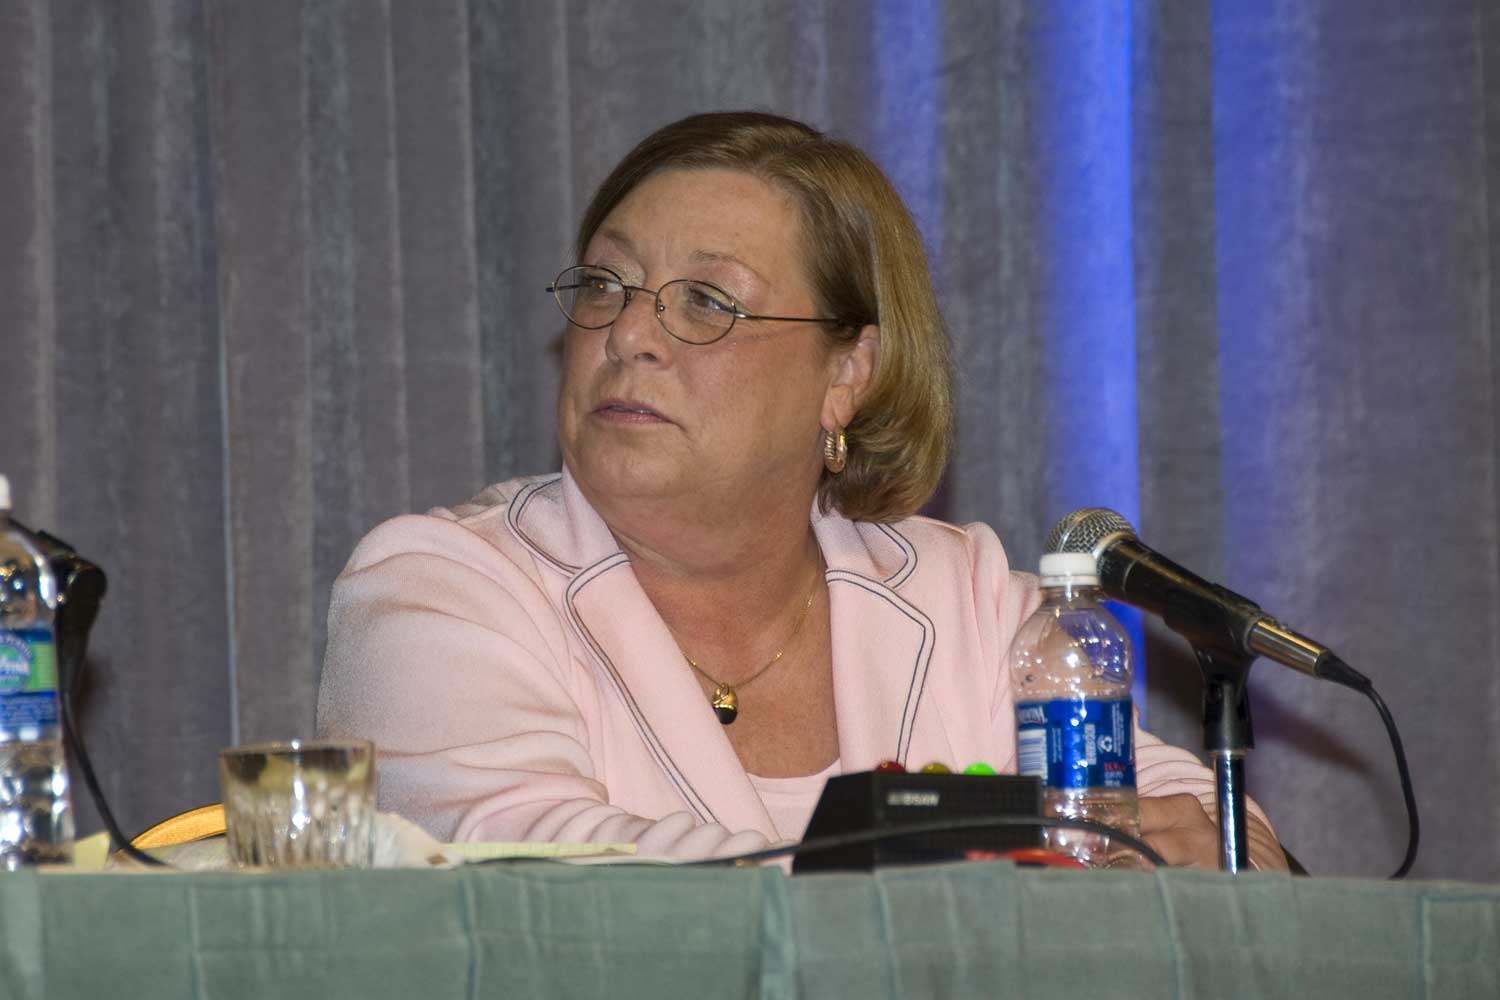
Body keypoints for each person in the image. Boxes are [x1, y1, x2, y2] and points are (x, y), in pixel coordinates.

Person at [316, 111, 1285, 869]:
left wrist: (1219, 853)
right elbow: (542, 873)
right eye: (605, 286)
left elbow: (1211, 828)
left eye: (707, 301)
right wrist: (991, 869)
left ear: (847, 375)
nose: (629, 335)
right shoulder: (438, 588)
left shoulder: (969, 600)